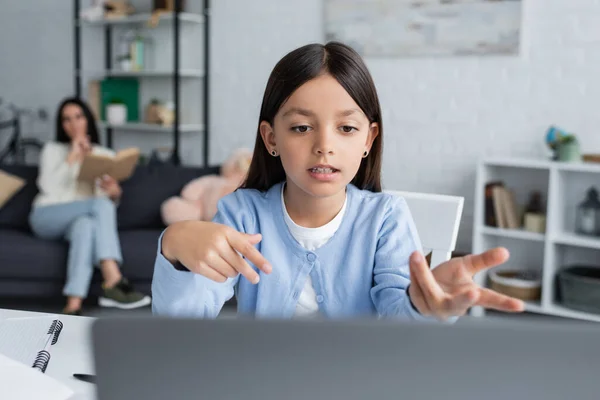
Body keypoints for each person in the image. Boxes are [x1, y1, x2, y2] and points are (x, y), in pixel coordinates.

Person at [151, 42, 525, 320]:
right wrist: (175, 246)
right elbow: (181, 325)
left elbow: (397, 319)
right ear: (271, 139)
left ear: (368, 139)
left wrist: (420, 302)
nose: (324, 146)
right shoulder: (242, 213)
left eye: (346, 128)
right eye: (301, 127)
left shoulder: (385, 218)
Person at [29, 97, 151, 315]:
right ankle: (113, 280)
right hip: (46, 215)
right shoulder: (53, 150)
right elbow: (48, 187)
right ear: (61, 125)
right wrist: (72, 157)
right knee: (98, 206)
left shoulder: (103, 154)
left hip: (80, 216)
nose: (73, 124)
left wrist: (114, 193)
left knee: (85, 226)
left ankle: (73, 305)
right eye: (66, 120)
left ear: (88, 120)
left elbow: (104, 207)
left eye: (78, 117)